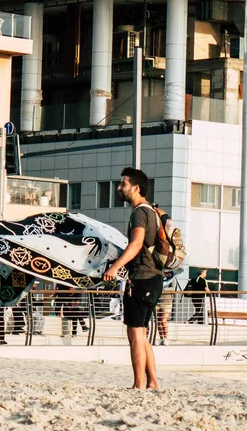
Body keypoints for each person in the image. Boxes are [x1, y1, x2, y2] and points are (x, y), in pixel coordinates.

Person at [103, 167, 163, 390]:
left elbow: (136, 244)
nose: (119, 188)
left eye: (123, 184)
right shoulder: (152, 211)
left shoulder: (139, 212)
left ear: (136, 188)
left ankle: (139, 384)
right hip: (153, 279)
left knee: (135, 333)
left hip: (142, 278)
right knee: (142, 333)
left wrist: (115, 267)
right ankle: (153, 382)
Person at [156, 273, 176, 346]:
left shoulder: (172, 279)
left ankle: (166, 338)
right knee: (158, 321)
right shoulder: (159, 278)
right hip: (158, 301)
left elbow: (173, 288)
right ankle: (161, 338)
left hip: (167, 302)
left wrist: (162, 288)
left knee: (163, 320)